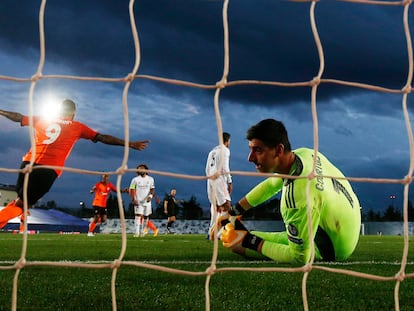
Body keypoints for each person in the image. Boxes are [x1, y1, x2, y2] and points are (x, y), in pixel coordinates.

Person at [220, 119, 361, 264]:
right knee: (246, 236)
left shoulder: (297, 197)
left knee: (241, 242)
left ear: (279, 150)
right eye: (251, 149)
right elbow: (271, 185)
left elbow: (300, 258)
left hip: (334, 247)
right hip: (349, 220)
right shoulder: (304, 154)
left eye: (258, 150)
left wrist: (249, 242)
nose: (250, 158)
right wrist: (235, 211)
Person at [0, 99, 149, 228]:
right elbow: (102, 137)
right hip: (48, 169)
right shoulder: (77, 127)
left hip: (27, 163)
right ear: (73, 113)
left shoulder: (42, 119)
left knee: (20, 202)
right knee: (23, 204)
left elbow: (18, 117)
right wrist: (129, 144)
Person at [205, 132, 232, 239]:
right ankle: (221, 233)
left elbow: (207, 168)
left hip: (210, 179)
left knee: (216, 206)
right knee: (226, 205)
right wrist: (229, 180)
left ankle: (211, 232)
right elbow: (225, 167)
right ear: (227, 141)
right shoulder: (225, 150)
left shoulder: (212, 151)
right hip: (219, 178)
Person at [129, 164, 158, 237]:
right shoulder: (135, 179)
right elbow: (132, 189)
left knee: (146, 217)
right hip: (138, 201)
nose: (140, 170)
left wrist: (150, 196)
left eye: (142, 168)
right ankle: (136, 233)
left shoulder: (151, 179)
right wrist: (133, 199)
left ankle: (143, 232)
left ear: (146, 169)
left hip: (147, 202)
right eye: (139, 169)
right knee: (138, 216)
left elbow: (152, 189)